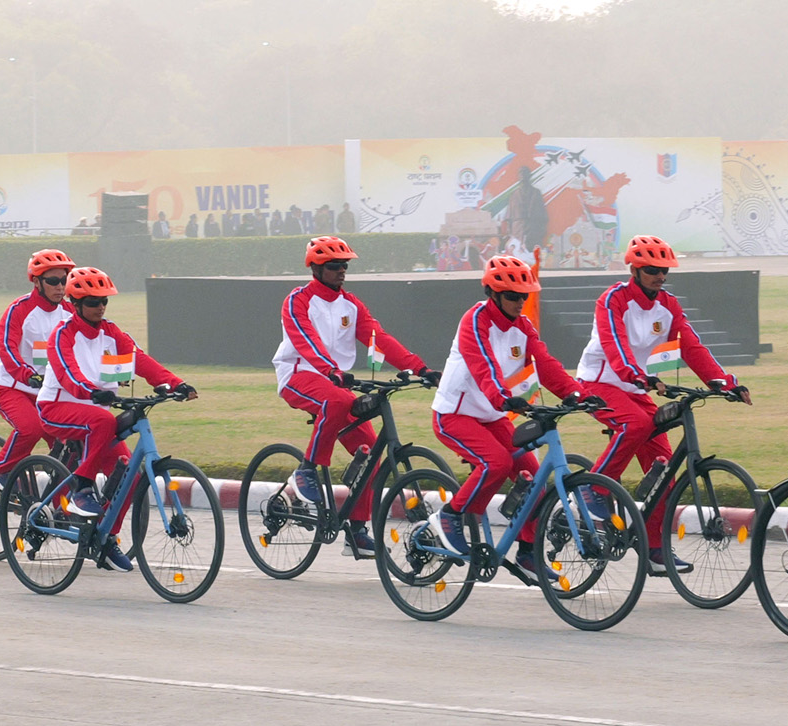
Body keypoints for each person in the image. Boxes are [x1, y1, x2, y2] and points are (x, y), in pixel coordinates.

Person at [575, 235, 751, 574]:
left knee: (664, 469)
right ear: (634, 270)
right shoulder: (613, 300)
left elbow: (691, 346)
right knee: (637, 424)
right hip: (599, 383)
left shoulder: (668, 305)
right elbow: (615, 345)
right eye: (652, 270)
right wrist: (637, 375)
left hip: (636, 387)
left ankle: (654, 550)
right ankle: (592, 488)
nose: (660, 276)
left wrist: (723, 382)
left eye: (664, 270)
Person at [271, 236, 427, 557]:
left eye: (344, 265)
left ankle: (356, 532)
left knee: (370, 451)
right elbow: (306, 341)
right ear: (315, 268)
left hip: (335, 383)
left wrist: (419, 368)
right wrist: (330, 369)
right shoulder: (298, 300)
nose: (341, 270)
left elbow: (380, 339)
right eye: (334, 266)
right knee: (339, 401)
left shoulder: (351, 305)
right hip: (299, 375)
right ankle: (306, 471)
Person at [426, 256, 591, 559]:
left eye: (524, 296)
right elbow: (483, 365)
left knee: (533, 477)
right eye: (513, 296)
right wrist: (502, 396)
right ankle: (450, 515)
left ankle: (527, 553)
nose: (520, 302)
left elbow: (544, 363)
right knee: (497, 463)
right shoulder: (475, 320)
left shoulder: (523, 327)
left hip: (493, 415)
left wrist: (577, 393)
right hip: (455, 414)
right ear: (493, 293)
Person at [37, 267, 196, 572]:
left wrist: (176, 384)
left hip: (95, 412)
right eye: (93, 301)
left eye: (104, 301)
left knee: (131, 477)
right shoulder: (62, 335)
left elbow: (141, 360)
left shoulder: (111, 332)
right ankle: (82, 486)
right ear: (76, 303)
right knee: (103, 421)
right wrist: (90, 391)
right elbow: (69, 374)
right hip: (57, 408)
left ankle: (106, 538)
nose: (100, 307)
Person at [0, 250, 77, 496]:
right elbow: (7, 348)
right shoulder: (19, 310)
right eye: (53, 281)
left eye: (64, 280)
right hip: (12, 388)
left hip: (48, 393)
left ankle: (55, 507)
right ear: (37, 282)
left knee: (70, 446)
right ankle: (2, 468)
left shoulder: (71, 312)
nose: (60, 287)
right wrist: (26, 374)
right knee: (31, 428)